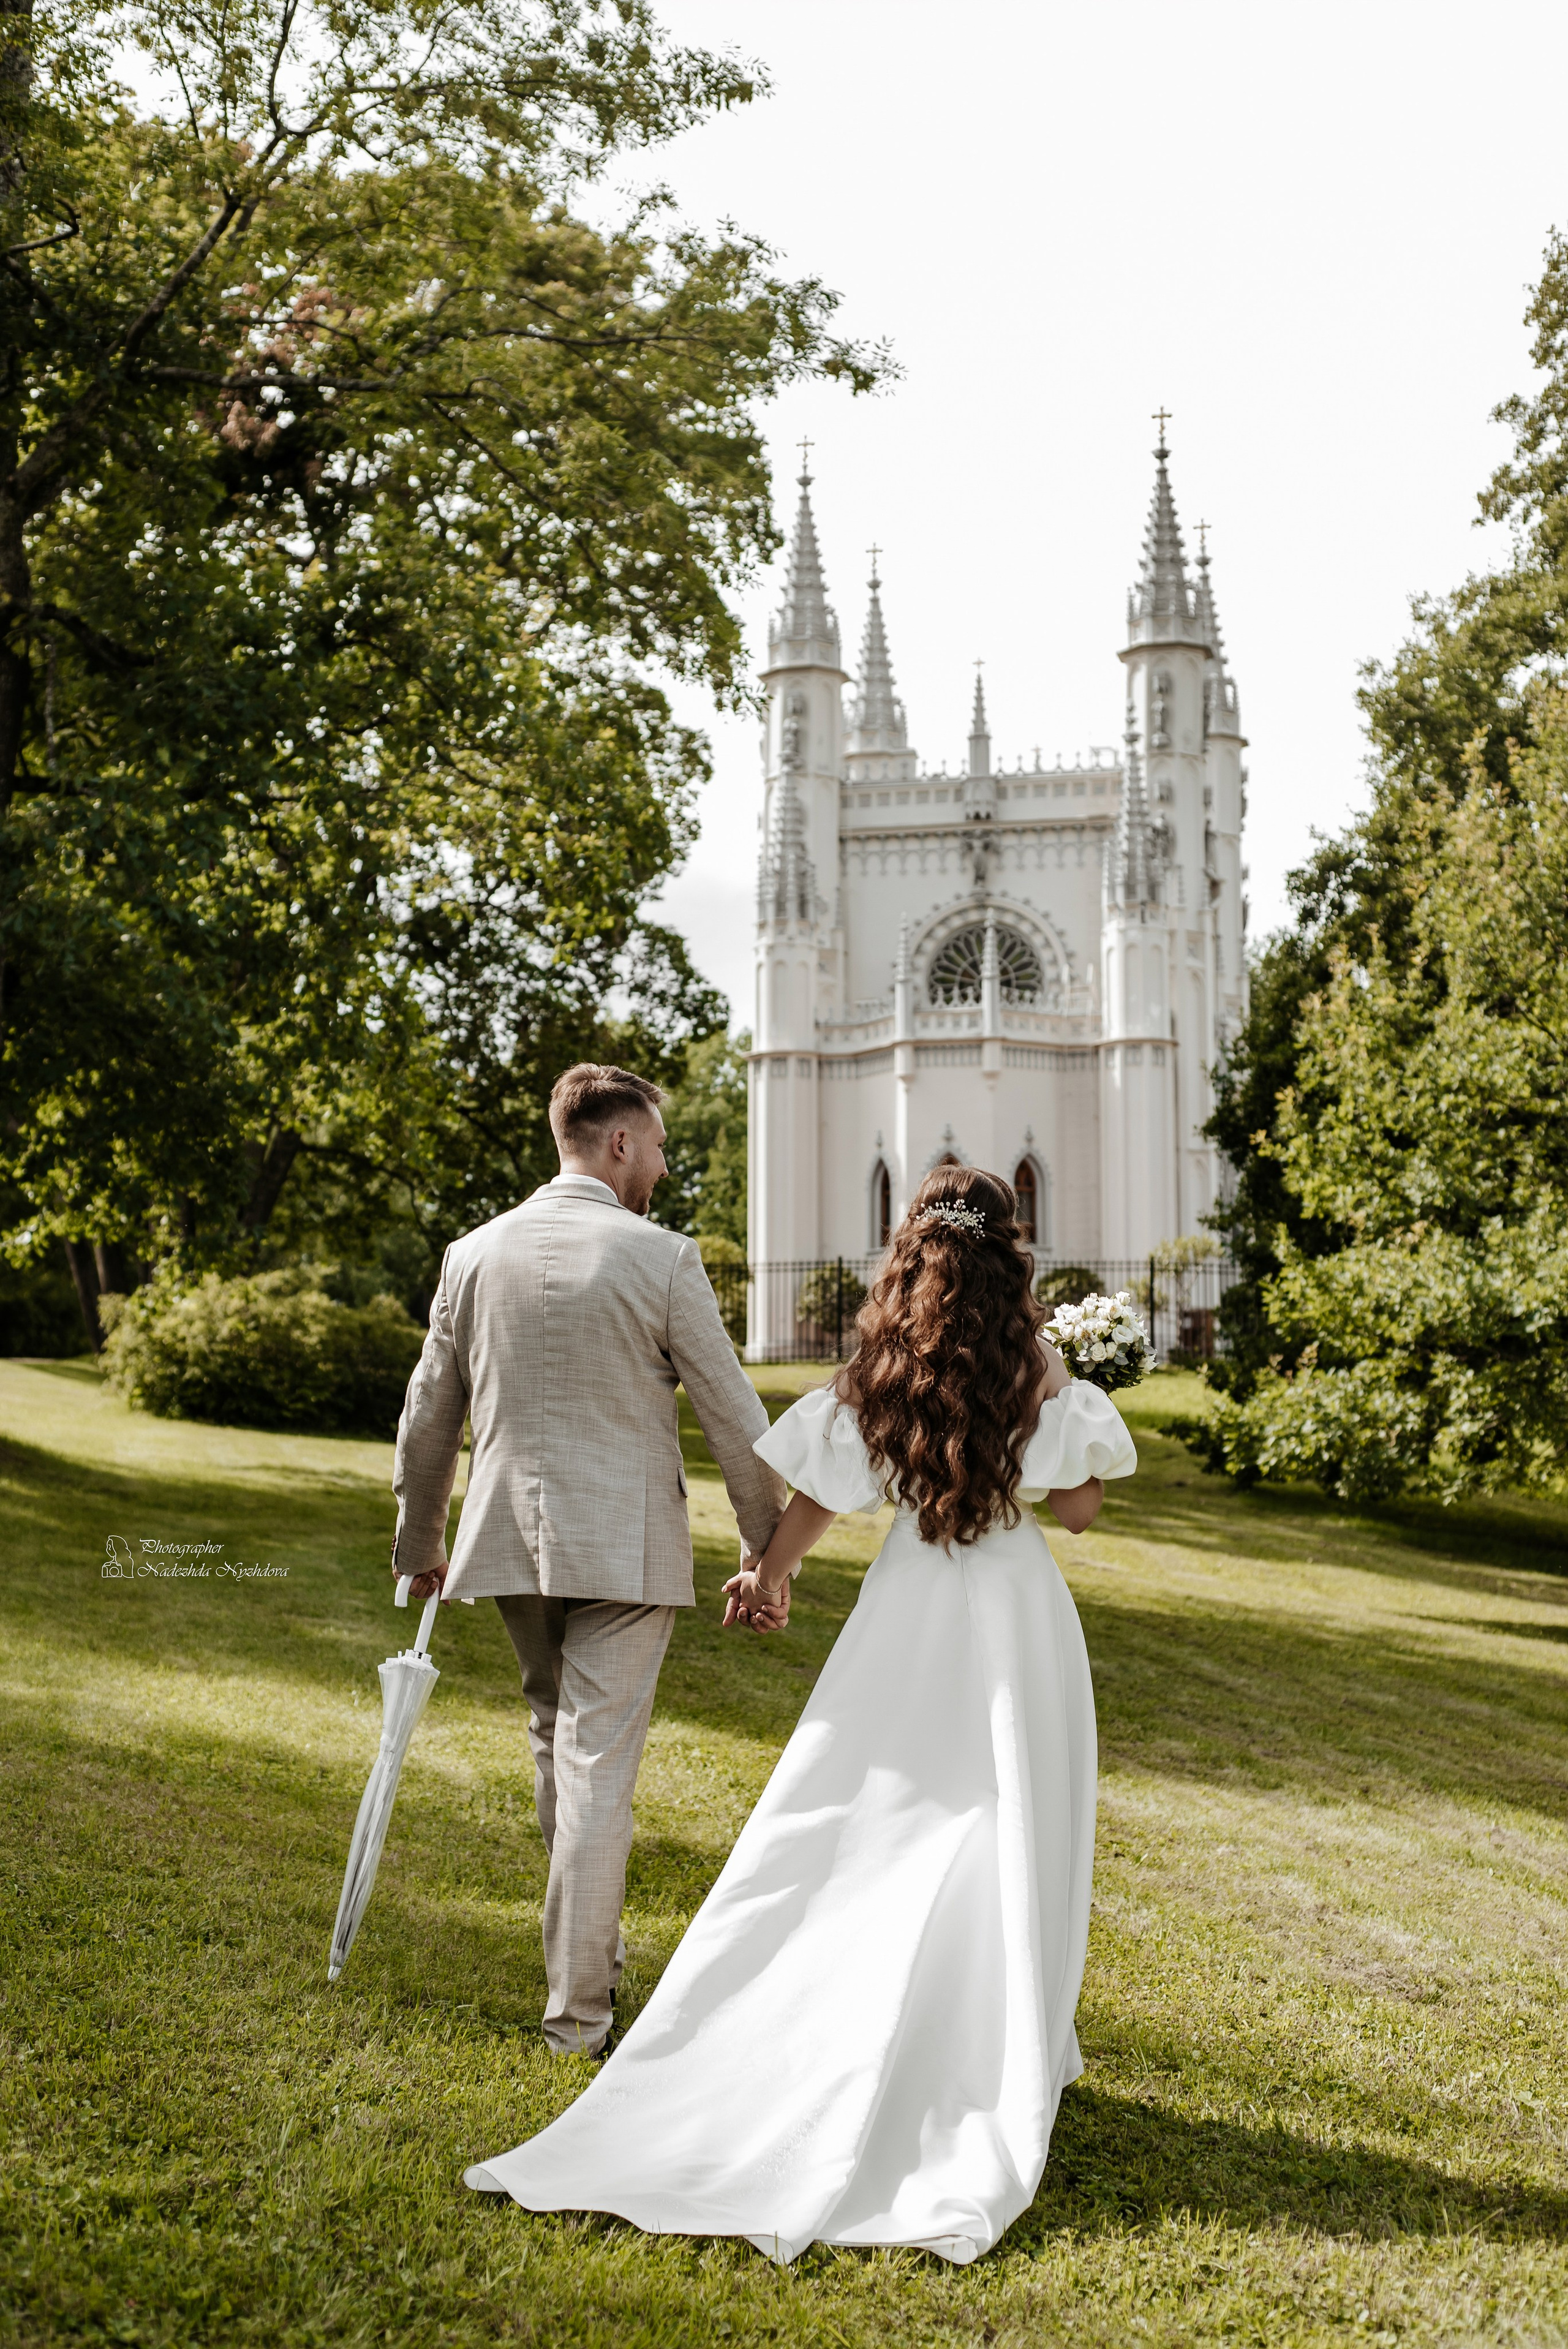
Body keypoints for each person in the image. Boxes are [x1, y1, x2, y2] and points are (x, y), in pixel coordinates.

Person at [464, 1163, 1138, 2263]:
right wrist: (1062, 1391)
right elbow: (1083, 1511)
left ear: (910, 1256)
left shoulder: (882, 1369)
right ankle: (1004, 2042)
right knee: (1007, 1823)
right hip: (1017, 1619)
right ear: (1010, 1257)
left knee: (872, 1815)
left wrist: (769, 1574)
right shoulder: (1036, 1373)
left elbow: (826, 1490)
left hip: (909, 1607)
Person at [391, 1063, 786, 2059]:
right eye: (655, 1144)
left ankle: (590, 1962)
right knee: (596, 1763)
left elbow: (429, 1413)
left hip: (510, 1545)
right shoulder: (659, 1257)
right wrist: (765, 1547)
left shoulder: (471, 1254)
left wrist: (421, 1541)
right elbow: (737, 1416)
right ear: (618, 1143)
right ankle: (579, 2017)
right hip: (625, 1545)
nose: (659, 1162)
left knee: (555, 1741)